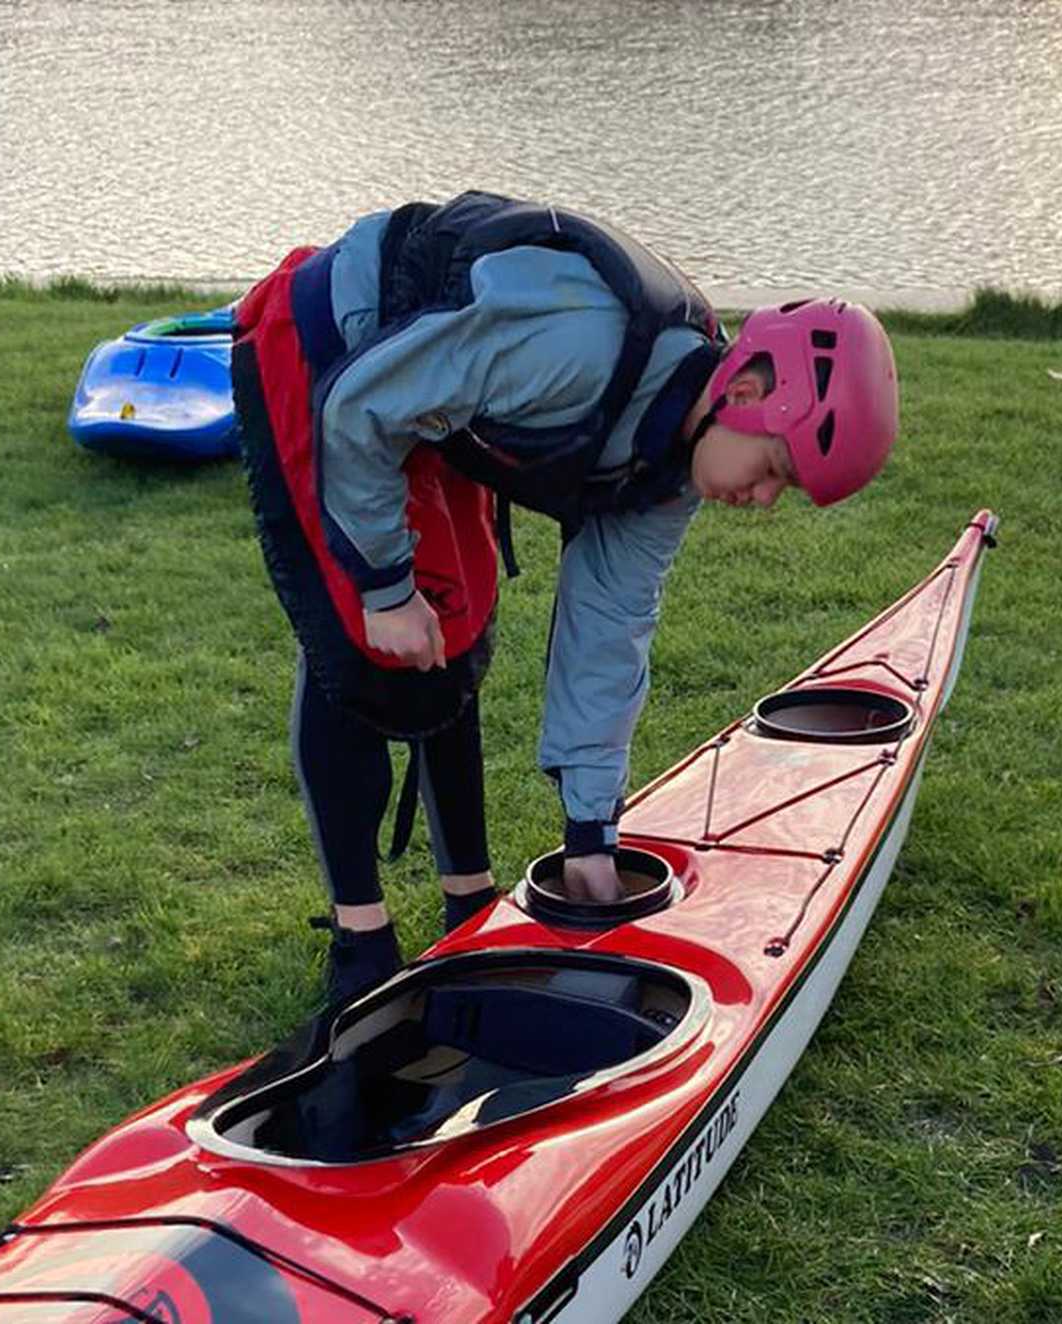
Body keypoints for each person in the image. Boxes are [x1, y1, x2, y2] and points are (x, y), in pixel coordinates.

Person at [228, 190, 899, 1007]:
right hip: (331, 344)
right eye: (776, 473)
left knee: (454, 634)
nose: (761, 501)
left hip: (426, 393)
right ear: (751, 390)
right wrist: (381, 584)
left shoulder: (667, 477)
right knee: (363, 651)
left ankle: (467, 900)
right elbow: (360, 408)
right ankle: (361, 939)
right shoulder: (576, 345)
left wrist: (591, 837)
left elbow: (607, 629)